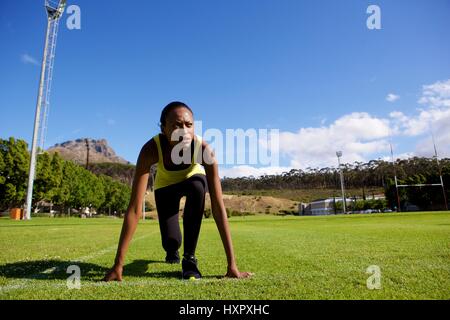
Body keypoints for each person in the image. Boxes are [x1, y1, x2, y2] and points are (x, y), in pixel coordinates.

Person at [103, 101, 253, 281]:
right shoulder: (150, 149)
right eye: (176, 125)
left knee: (198, 185)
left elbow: (218, 207)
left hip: (192, 179)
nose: (184, 131)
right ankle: (172, 250)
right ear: (164, 128)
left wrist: (232, 265)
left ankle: (190, 259)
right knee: (171, 241)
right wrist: (118, 264)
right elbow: (135, 208)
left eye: (189, 125)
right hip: (165, 186)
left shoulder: (204, 150)